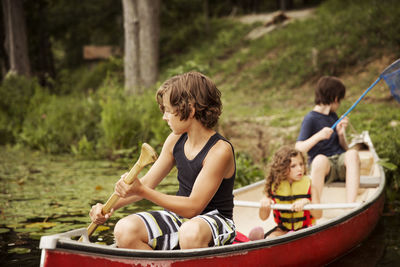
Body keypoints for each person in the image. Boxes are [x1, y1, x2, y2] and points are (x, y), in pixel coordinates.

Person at [90, 71, 236, 250]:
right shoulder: (175, 140)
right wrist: (107, 208)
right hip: (180, 218)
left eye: (168, 110)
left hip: (215, 221)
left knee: (190, 232)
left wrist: (142, 190)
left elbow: (193, 208)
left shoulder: (219, 150)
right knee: (124, 229)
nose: (164, 117)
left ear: (189, 110)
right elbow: (147, 183)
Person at [295, 76, 360, 203]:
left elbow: (345, 149)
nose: (339, 103)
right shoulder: (311, 118)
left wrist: (341, 134)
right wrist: (319, 136)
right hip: (325, 167)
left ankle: (350, 205)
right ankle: (314, 207)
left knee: (352, 154)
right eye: (339, 100)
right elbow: (299, 148)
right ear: (335, 98)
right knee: (319, 160)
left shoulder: (333, 116)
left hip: (339, 162)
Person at [249, 146, 322, 240]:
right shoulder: (274, 187)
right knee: (272, 237)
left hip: (305, 229)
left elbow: (319, 215)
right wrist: (264, 203)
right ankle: (260, 240)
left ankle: (285, 239)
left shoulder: (311, 187)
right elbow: (263, 217)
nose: (300, 169)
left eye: (301, 164)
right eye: (293, 166)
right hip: (283, 229)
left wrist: (306, 202)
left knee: (292, 236)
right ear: (282, 168)